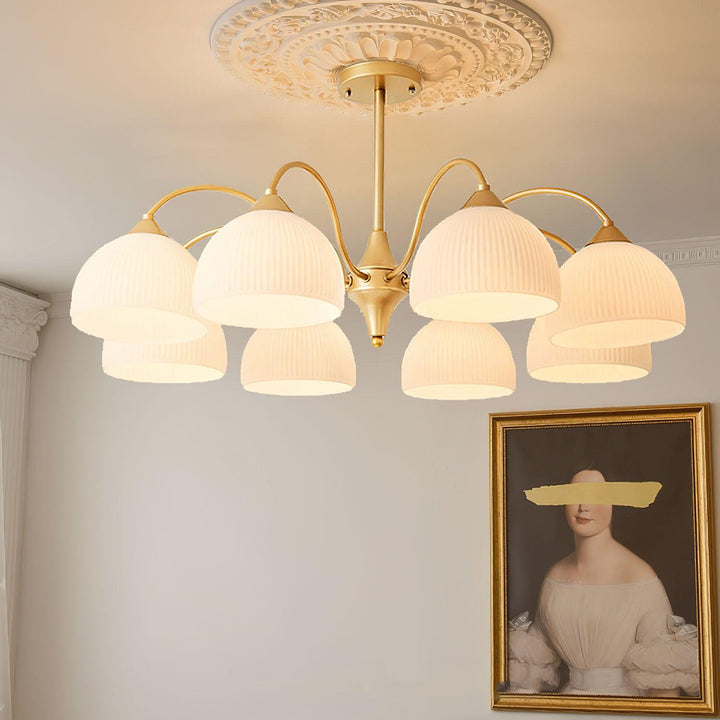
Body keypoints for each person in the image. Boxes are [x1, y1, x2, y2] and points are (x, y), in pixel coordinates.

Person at [508, 469, 699, 696]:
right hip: (569, 704)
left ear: (612, 503)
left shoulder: (638, 575)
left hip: (624, 705)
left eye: (595, 496)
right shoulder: (555, 576)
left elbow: (663, 679)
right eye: (575, 495)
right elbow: (534, 661)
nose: (583, 507)